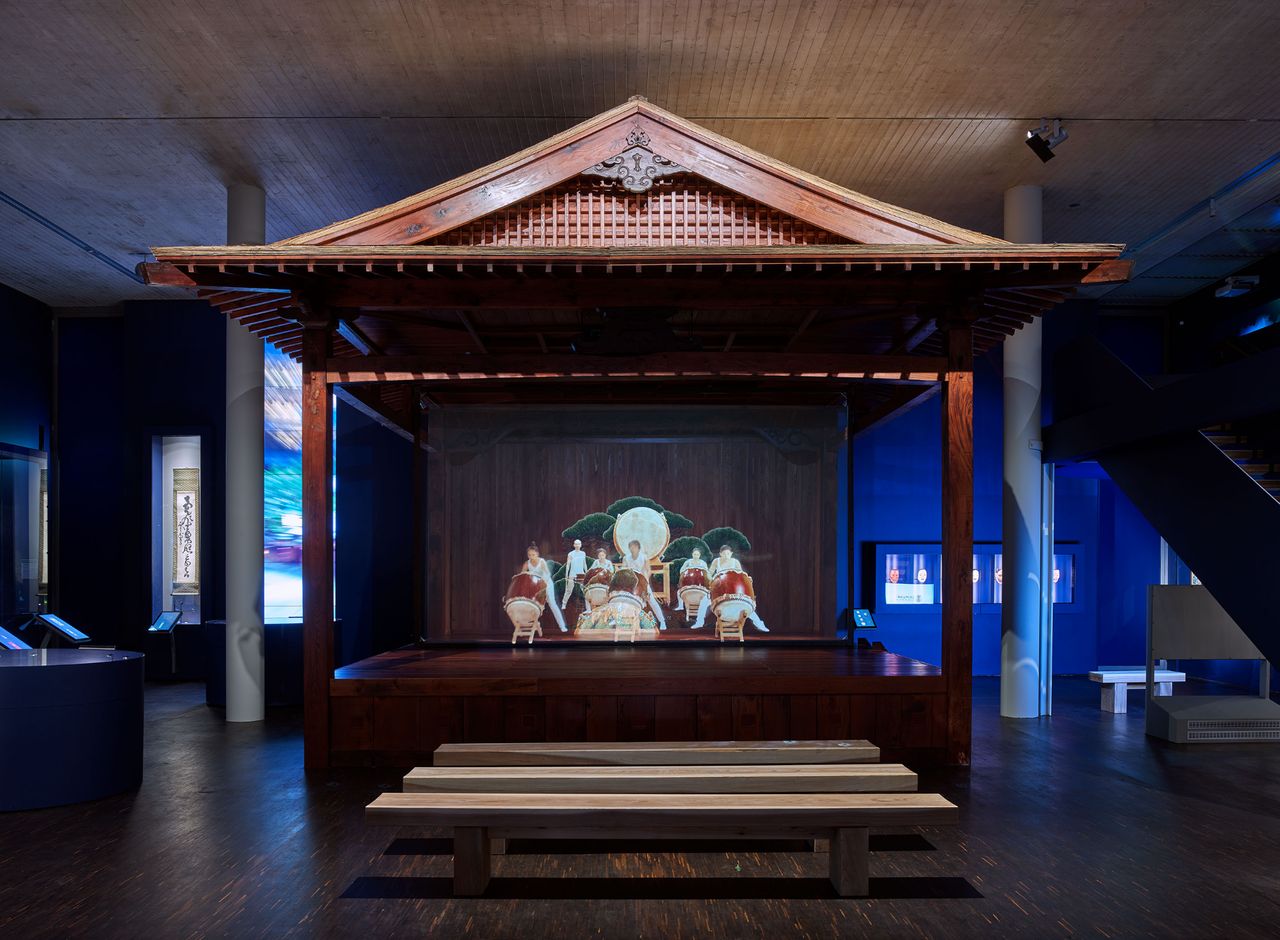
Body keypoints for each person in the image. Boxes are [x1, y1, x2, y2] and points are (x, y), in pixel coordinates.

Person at [692, 545, 769, 633]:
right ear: (720, 554)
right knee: (704, 601)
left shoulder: (735, 562)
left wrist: (747, 579)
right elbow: (709, 573)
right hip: (719, 590)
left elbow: (740, 576)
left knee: (746, 604)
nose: (726, 555)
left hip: (734, 590)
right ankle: (699, 622)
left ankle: (759, 623)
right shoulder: (716, 561)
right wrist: (712, 581)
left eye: (728, 553)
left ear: (731, 554)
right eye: (724, 553)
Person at [622, 538, 666, 630]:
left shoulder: (644, 557)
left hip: (642, 581)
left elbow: (648, 570)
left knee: (651, 600)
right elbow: (624, 569)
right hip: (630, 582)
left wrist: (645, 581)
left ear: (638, 548)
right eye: (631, 547)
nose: (632, 549)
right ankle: (623, 623)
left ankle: (662, 621)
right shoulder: (626, 558)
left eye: (634, 547)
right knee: (624, 600)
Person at [522, 543, 567, 632]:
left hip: (547, 583)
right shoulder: (527, 563)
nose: (531, 557)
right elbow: (523, 576)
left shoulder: (541, 561)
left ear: (537, 554)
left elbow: (547, 574)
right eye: (529, 555)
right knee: (531, 604)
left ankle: (562, 626)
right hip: (535, 585)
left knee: (552, 604)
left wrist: (541, 583)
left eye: (533, 555)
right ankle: (528, 626)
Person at [673, 547, 709, 612]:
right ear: (692, 554)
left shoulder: (703, 563)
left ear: (700, 555)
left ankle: (704, 607)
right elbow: (681, 570)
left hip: (700, 583)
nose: (696, 556)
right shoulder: (688, 562)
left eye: (697, 554)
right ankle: (680, 606)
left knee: (707, 593)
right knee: (679, 592)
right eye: (694, 554)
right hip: (688, 582)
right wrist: (685, 572)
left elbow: (706, 572)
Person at [561, 538, 588, 609]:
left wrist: (587, 572)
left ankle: (588, 607)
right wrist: (567, 574)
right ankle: (564, 604)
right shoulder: (571, 554)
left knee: (584, 590)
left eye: (578, 544)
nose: (577, 545)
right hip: (572, 574)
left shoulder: (583, 553)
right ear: (574, 545)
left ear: (581, 545)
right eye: (576, 544)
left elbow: (584, 564)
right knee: (569, 590)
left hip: (581, 574)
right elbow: (568, 564)